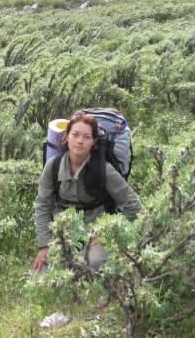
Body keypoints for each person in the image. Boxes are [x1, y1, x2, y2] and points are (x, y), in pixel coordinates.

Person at [32, 112, 142, 272]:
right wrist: (44, 245)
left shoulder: (104, 170)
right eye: (75, 135)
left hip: (95, 231)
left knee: (93, 262)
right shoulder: (53, 165)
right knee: (43, 271)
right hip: (63, 232)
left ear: (94, 141)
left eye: (87, 137)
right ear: (67, 136)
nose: (80, 141)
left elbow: (134, 206)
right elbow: (42, 205)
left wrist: (110, 233)